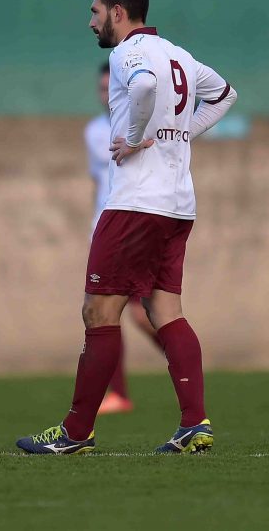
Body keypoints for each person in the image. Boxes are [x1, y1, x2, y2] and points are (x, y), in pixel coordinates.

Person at [17, 0, 237, 454]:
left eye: (95, 12)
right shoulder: (179, 55)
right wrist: (180, 135)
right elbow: (225, 95)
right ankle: (194, 423)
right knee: (165, 310)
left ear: (117, 12)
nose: (91, 22)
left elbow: (143, 87)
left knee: (99, 310)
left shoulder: (126, 53)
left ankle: (76, 432)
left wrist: (136, 138)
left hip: (135, 203)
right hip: (178, 205)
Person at [84, 61, 164, 416]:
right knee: (104, 311)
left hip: (132, 229)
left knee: (138, 314)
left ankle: (182, 365)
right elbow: (98, 182)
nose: (105, 95)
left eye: (110, 89)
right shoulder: (93, 132)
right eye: (101, 89)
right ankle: (119, 392)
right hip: (106, 231)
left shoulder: (140, 125)